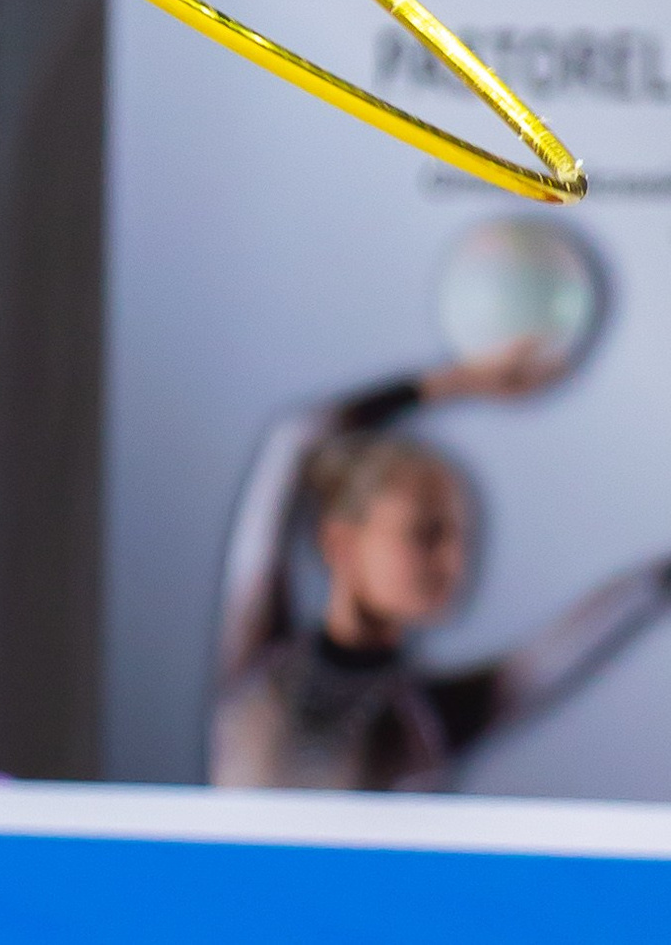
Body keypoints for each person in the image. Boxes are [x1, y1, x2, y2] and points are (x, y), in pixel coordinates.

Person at [212, 334, 671, 790]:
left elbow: (552, 657)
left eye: (460, 538)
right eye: (426, 534)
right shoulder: (259, 666)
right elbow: (297, 438)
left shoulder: (427, 719)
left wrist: (659, 578)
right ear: (340, 542)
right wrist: (462, 381)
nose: (454, 562)